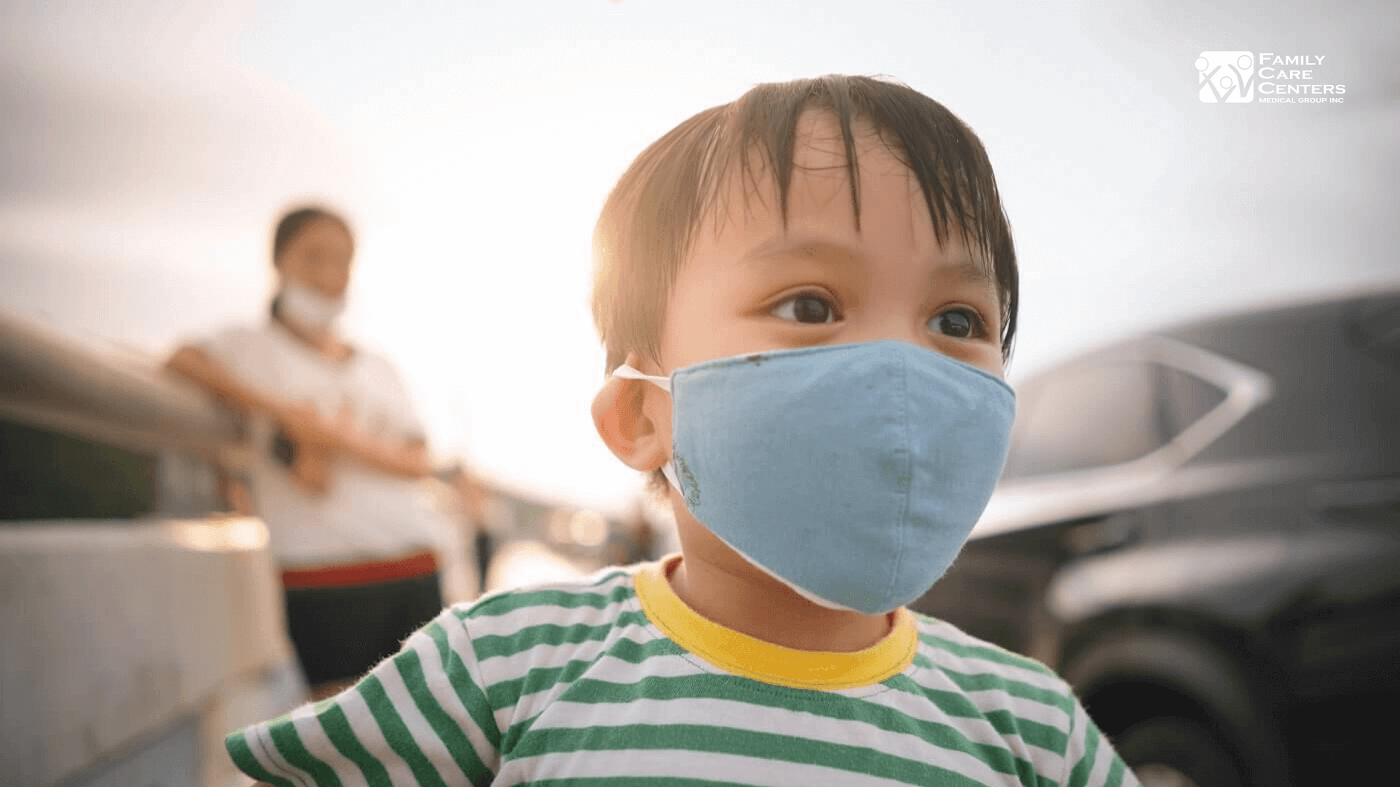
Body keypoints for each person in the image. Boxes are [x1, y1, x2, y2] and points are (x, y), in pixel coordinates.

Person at [225, 77, 1141, 786]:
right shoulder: (501, 666)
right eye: (812, 303)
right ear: (642, 415)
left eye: (957, 321)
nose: (902, 373)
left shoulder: (1035, 729)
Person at [168, 206, 448, 701]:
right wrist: (288, 416)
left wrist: (334, 441)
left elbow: (420, 461)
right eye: (313, 257)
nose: (328, 275)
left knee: (426, 736)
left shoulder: (378, 366)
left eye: (342, 261)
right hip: (321, 575)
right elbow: (180, 361)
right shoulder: (249, 346)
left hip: (413, 569)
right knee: (340, 739)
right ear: (279, 262)